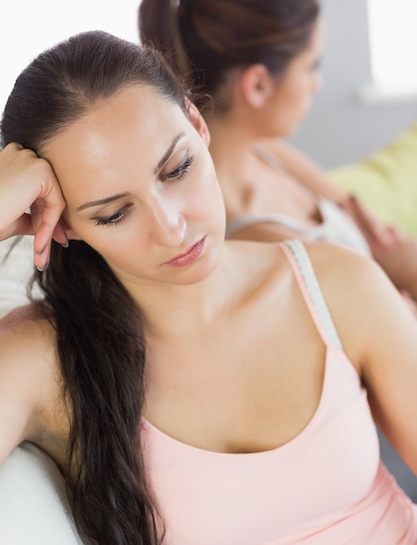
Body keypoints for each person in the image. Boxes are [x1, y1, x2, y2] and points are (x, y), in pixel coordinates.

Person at [1, 30, 417, 545]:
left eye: (178, 168)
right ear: (60, 224)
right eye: (114, 213)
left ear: (198, 125)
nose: (172, 227)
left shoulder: (336, 284)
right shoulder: (45, 358)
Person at [138, 0, 417, 305]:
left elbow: (360, 217)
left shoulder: (264, 150)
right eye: (311, 66)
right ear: (257, 85)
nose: (317, 83)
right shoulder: (262, 240)